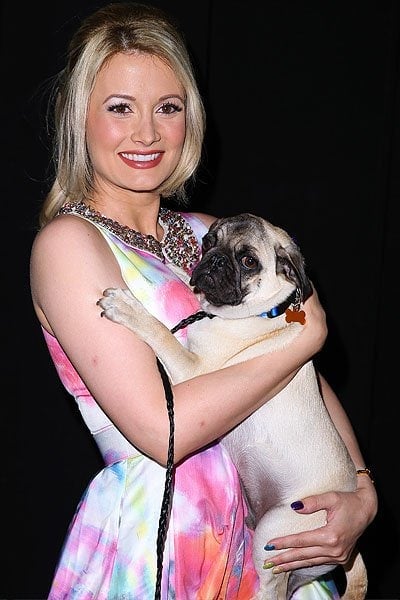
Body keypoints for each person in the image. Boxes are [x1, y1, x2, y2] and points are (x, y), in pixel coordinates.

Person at [29, 2, 377, 598]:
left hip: (264, 537)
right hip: (166, 535)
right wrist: (305, 337)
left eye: (168, 108)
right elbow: (163, 432)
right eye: (120, 109)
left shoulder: (212, 236)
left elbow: (303, 369)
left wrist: (361, 491)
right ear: (79, 119)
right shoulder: (69, 245)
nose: (147, 133)